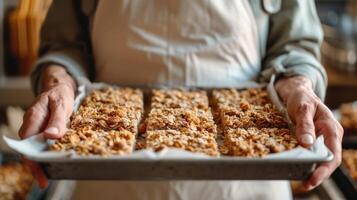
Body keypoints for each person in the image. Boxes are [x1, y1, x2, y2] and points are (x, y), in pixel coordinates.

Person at [19, 0, 343, 199]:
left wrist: (299, 87)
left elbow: (296, 46)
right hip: (109, 185)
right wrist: (57, 85)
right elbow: (62, 46)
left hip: (246, 187)